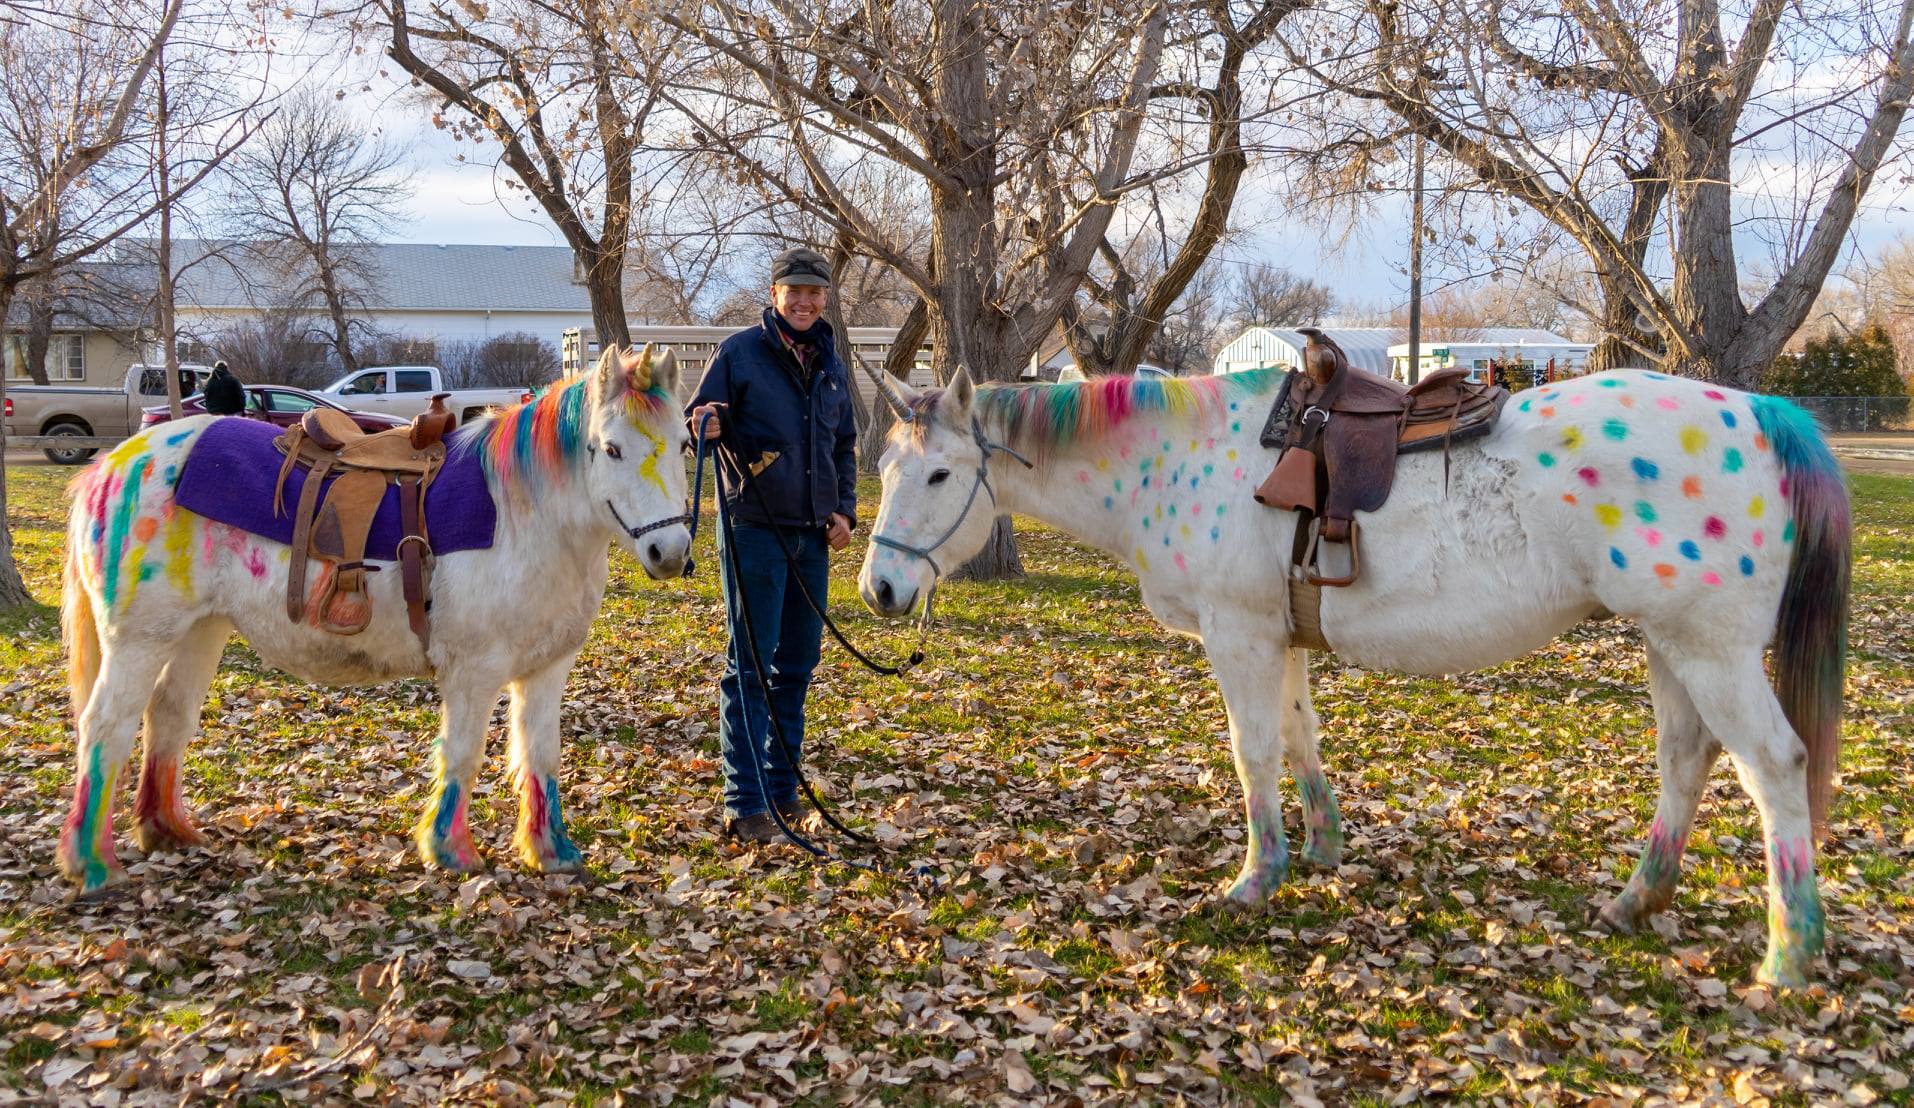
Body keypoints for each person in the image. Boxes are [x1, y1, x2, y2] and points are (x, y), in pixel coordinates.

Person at [687, 247, 858, 843]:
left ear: (825, 298)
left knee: (797, 669)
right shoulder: (738, 353)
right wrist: (703, 424)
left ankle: (784, 791)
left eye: (815, 292)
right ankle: (747, 804)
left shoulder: (833, 360)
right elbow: (698, 420)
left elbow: (843, 445)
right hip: (753, 530)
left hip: (814, 535)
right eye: (795, 291)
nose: (805, 302)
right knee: (751, 670)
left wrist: (846, 513)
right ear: (775, 293)